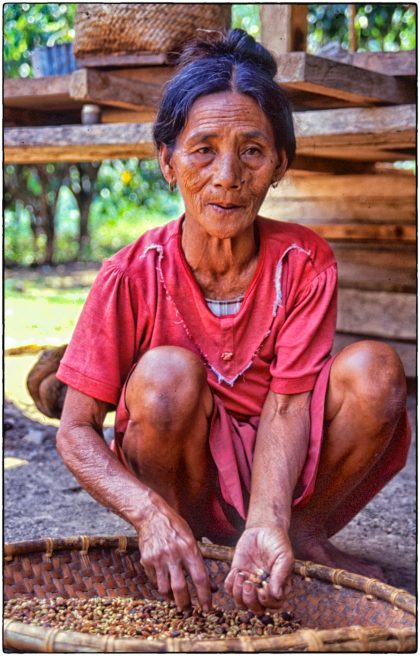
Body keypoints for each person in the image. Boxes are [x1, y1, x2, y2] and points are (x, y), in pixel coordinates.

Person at [56, 29, 410, 614]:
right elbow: (74, 430)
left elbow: (290, 403)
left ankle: (293, 537)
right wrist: (149, 516)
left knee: (375, 371)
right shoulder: (131, 274)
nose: (227, 175)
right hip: (181, 484)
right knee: (164, 375)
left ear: (279, 166)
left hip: (285, 472)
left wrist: (268, 519)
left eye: (252, 150)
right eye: (202, 149)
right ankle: (179, 550)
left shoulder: (303, 261)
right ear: (166, 162)